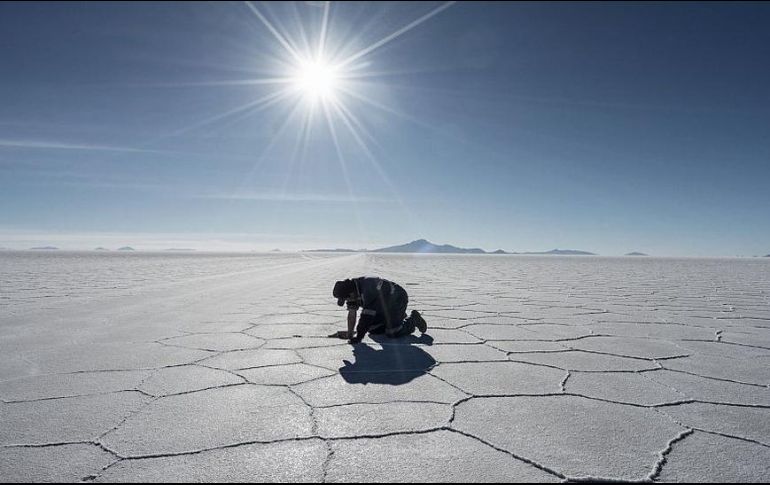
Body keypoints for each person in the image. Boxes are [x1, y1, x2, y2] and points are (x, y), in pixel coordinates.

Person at [332, 277, 427, 344]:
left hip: (397, 299)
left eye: (346, 298)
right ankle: (396, 319)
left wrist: (358, 338)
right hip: (381, 306)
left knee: (393, 332)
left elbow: (366, 318)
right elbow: (352, 314)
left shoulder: (367, 289)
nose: (347, 301)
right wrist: (350, 334)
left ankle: (413, 319)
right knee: (373, 329)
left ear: (351, 293)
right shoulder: (351, 291)